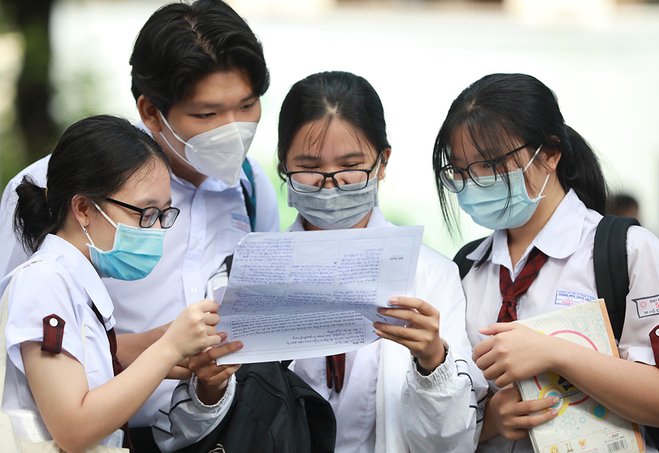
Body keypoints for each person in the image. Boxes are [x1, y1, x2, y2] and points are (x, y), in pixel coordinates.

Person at [0, 1, 280, 451]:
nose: (233, 130)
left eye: (247, 106)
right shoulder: (47, 188)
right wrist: (168, 349)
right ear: (151, 111)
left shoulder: (249, 186)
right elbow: (19, 330)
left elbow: (99, 340)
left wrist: (194, 351)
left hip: (209, 426)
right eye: (207, 115)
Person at [432, 73, 659, 452]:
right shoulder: (466, 267)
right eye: (461, 171)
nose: (474, 183)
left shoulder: (625, 251)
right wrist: (491, 421)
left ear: (549, 153)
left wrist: (555, 353)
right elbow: (441, 418)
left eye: (490, 164)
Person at [276, 70, 487, 453]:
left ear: (382, 162)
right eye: (309, 166)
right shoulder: (254, 274)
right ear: (282, 165)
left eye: (350, 165)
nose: (330, 182)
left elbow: (451, 443)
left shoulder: (431, 275)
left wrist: (431, 361)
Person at [0, 115, 223, 452]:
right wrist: (168, 349)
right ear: (84, 208)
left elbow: (88, 359)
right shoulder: (43, 281)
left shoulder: (74, 281)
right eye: (145, 213)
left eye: (164, 214)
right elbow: (73, 429)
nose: (158, 229)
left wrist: (163, 341)